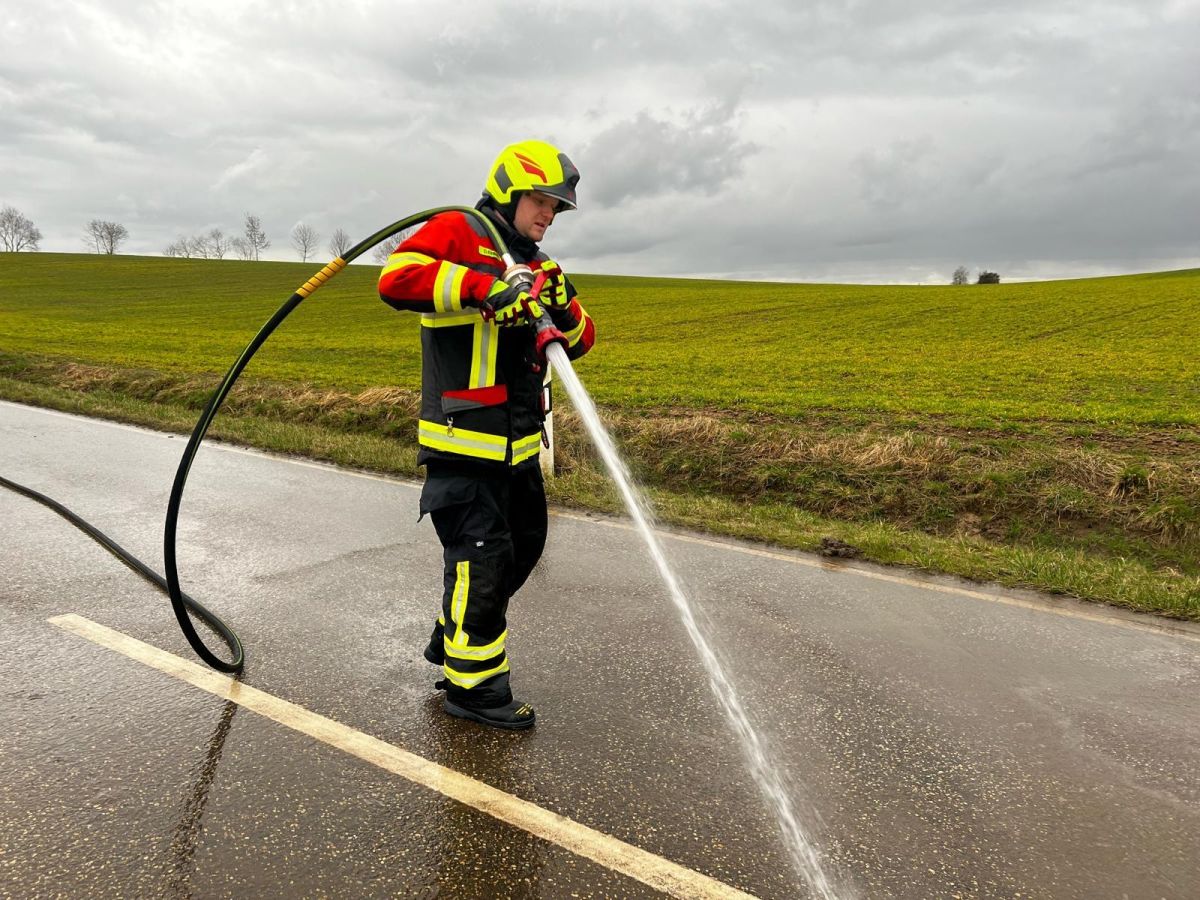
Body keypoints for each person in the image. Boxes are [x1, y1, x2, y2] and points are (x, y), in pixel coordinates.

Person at [378, 140, 595, 730]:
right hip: (463, 444)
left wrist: (558, 305)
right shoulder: (460, 232)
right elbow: (396, 278)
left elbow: (581, 338)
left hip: (520, 448)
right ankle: (473, 688)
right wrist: (486, 289)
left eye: (557, 208)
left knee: (522, 550)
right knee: (482, 557)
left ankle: (455, 633)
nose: (549, 215)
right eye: (541, 201)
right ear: (508, 190)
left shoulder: (541, 266)